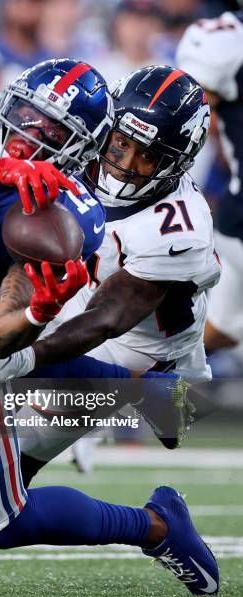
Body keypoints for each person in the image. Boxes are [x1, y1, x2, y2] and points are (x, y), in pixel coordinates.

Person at [0, 65, 219, 596]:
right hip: (72, 306)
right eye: (120, 143)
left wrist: (23, 363)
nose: (124, 163)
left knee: (15, 452)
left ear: (178, 160)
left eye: (147, 156)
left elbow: (107, 319)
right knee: (10, 469)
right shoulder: (83, 146)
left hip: (142, 357)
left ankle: (162, 513)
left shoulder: (180, 227)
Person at [176, 7, 243, 352]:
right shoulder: (226, 42)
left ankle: (131, 391)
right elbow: (192, 110)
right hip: (242, 219)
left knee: (221, 331)